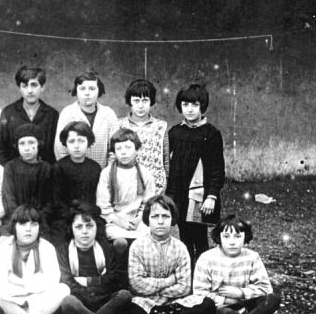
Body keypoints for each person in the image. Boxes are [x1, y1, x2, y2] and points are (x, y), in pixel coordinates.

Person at [51, 202, 147, 314]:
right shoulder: (63, 250)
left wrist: (89, 286)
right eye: (79, 227)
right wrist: (94, 285)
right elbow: (67, 281)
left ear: (97, 227)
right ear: (71, 228)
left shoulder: (105, 247)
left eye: (89, 226)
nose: (84, 231)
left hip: (103, 301)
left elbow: (112, 279)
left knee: (125, 295)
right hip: (79, 302)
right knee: (68, 301)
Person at [126, 195, 216, 314]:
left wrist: (154, 289)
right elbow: (136, 285)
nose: (160, 221)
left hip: (176, 304)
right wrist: (169, 281)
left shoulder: (180, 248)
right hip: (148, 304)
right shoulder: (137, 246)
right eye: (155, 216)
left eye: (165, 216)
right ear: (147, 219)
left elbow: (185, 287)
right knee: (128, 310)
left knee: (207, 304)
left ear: (173, 219)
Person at [193, 215, 292, 314]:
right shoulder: (206, 258)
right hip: (219, 308)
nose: (232, 242)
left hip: (245, 304)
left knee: (273, 299)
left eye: (238, 236)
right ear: (219, 237)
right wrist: (227, 300)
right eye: (227, 236)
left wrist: (240, 293)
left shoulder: (252, 257)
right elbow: (199, 294)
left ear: (245, 237)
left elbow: (265, 289)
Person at [0, 206, 70, 314]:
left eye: (34, 224)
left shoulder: (46, 247)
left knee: (63, 289)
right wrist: (36, 282)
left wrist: (21, 283)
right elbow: (0, 284)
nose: (28, 229)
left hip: (39, 300)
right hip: (13, 300)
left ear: (39, 227)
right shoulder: (3, 248)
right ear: (14, 226)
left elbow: (52, 280)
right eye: (23, 224)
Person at [166, 83, 225, 266]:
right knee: (184, 237)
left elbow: (217, 168)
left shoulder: (211, 133)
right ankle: (186, 277)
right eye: (185, 105)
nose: (189, 110)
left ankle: (201, 276)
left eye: (194, 105)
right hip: (179, 194)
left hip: (199, 196)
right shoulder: (175, 132)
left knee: (199, 239)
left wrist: (212, 196)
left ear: (202, 106)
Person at [96, 128, 156, 259]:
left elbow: (148, 202)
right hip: (114, 221)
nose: (123, 152)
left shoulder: (145, 174)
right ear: (114, 152)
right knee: (120, 243)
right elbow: (103, 205)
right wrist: (118, 221)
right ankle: (120, 274)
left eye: (128, 147)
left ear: (137, 149)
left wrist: (140, 218)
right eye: (119, 149)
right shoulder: (106, 173)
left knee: (148, 241)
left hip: (138, 222)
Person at [53, 69, 119, 168]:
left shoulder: (108, 114)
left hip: (102, 175)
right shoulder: (67, 113)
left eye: (92, 89)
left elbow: (115, 148)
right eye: (82, 88)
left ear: (99, 90)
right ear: (76, 90)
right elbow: (60, 149)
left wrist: (106, 174)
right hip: (72, 175)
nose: (87, 93)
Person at [0, 66, 59, 165]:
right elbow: (0, 149)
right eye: (25, 85)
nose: (29, 91)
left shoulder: (52, 115)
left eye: (34, 85)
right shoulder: (8, 113)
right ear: (19, 88)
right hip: (14, 174)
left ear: (42, 87)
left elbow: (56, 149)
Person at [0, 124, 55, 237]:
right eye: (22, 143)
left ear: (39, 144)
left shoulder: (46, 168)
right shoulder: (10, 167)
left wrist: (37, 218)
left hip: (39, 221)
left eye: (31, 143)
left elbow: (50, 202)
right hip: (15, 220)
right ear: (17, 146)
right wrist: (21, 218)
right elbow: (9, 198)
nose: (26, 148)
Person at [51, 121, 102, 239]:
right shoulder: (58, 168)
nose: (76, 146)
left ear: (89, 143)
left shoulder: (95, 167)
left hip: (90, 217)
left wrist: (87, 216)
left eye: (81, 141)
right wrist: (73, 216)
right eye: (71, 141)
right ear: (65, 143)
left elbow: (96, 199)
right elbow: (57, 202)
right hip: (65, 219)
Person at [118, 79, 169, 195]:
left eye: (145, 100)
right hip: (125, 188)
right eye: (136, 100)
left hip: (155, 188)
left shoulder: (161, 127)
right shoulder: (119, 125)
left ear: (151, 102)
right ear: (129, 101)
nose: (140, 106)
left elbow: (165, 160)